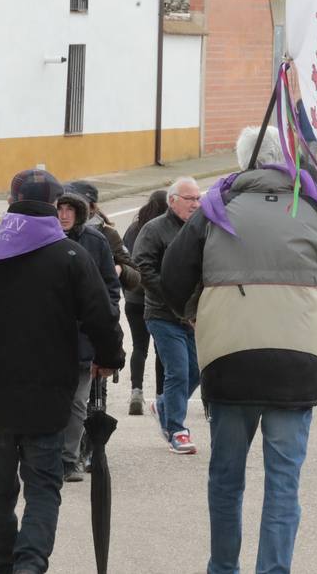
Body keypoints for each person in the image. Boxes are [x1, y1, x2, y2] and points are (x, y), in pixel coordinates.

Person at [161, 126, 317, 574]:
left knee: (226, 479)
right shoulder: (313, 205)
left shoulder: (215, 207)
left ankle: (223, 568)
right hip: (300, 361)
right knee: (283, 484)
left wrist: (200, 309)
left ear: (241, 162)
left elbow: (172, 278)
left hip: (230, 359)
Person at [0, 169, 124, 574]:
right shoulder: (69, 255)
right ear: (54, 205)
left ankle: (3, 567)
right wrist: (110, 357)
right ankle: (29, 566)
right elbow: (102, 316)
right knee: (44, 487)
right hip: (48, 397)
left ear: (11, 202)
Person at [55, 187, 123, 481]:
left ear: (80, 212)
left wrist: (105, 326)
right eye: (59, 208)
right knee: (49, 399)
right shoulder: (43, 240)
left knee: (77, 402)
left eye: (70, 209)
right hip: (48, 337)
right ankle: (43, 455)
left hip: (83, 338)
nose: (64, 214)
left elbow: (110, 288)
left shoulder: (96, 241)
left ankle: (69, 459)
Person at [135, 175, 203, 454]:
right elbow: (143, 267)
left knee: (196, 371)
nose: (196, 204)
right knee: (177, 370)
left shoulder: (201, 229)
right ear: (172, 201)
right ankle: (177, 429)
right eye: (190, 199)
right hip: (163, 314)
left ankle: (162, 405)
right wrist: (172, 298)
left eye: (199, 198)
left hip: (193, 314)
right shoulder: (154, 229)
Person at [122, 190, 168, 416]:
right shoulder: (165, 228)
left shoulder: (134, 228)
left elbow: (123, 258)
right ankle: (160, 396)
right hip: (158, 297)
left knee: (139, 347)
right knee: (162, 349)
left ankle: (136, 391)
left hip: (133, 297)